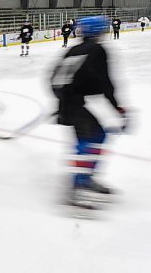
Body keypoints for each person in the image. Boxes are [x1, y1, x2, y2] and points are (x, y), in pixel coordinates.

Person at [50, 16, 127, 209]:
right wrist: (117, 107)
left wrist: (62, 100)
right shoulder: (97, 49)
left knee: (94, 136)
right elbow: (104, 82)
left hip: (71, 102)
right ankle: (78, 186)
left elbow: (53, 78)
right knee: (91, 137)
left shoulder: (74, 49)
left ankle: (85, 178)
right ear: (99, 31)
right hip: (74, 103)